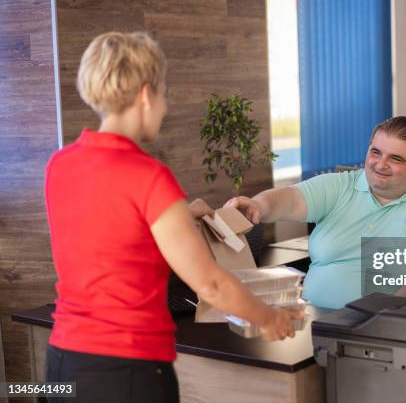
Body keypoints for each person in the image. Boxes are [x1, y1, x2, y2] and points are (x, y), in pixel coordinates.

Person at [44, 32, 301, 403]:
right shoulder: (148, 177)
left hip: (63, 363)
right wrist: (269, 318)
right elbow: (211, 285)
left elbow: (107, 234)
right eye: (164, 94)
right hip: (128, 370)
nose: (165, 107)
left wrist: (180, 212)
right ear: (147, 94)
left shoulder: (60, 165)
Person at [225, 116, 406, 309]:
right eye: (375, 152)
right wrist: (258, 205)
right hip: (310, 317)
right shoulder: (340, 186)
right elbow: (289, 199)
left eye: (395, 158)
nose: (380, 164)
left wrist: (391, 313)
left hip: (383, 328)